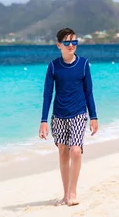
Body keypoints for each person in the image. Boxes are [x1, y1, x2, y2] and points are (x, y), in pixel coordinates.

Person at [39, 27, 98, 206]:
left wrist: (94, 116)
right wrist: (43, 121)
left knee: (76, 150)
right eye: (67, 42)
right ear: (59, 45)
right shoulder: (53, 66)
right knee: (63, 152)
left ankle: (73, 192)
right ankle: (65, 194)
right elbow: (47, 94)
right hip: (59, 116)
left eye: (74, 41)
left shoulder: (83, 64)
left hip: (79, 114)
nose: (71, 45)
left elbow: (89, 92)